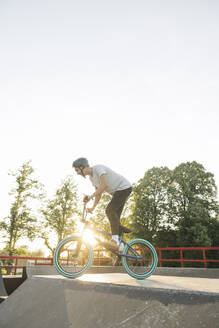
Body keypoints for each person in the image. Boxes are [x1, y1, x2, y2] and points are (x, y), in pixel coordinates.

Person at [72, 157, 132, 252]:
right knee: (115, 218)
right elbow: (98, 194)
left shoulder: (98, 168)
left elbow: (104, 186)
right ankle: (121, 249)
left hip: (124, 188)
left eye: (77, 170)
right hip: (117, 192)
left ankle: (115, 241)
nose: (77, 173)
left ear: (82, 167)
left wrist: (90, 197)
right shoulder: (91, 179)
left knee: (109, 210)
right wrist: (92, 208)